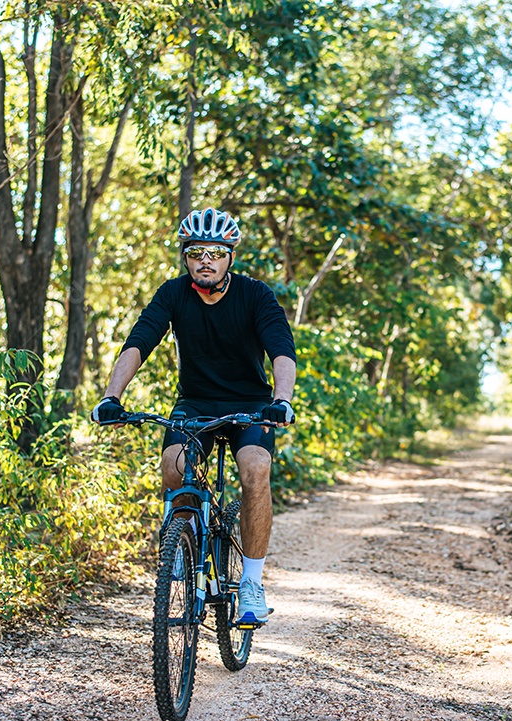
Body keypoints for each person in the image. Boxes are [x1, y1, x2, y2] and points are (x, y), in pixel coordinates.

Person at [91, 207, 296, 626]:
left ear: (229, 257)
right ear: (185, 257)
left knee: (255, 467)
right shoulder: (173, 294)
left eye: (215, 252)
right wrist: (112, 396)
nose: (206, 260)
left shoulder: (255, 295)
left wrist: (282, 399)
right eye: (196, 252)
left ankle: (252, 583)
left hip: (251, 404)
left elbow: (281, 349)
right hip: (196, 403)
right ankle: (183, 545)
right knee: (174, 465)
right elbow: (140, 341)